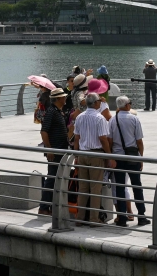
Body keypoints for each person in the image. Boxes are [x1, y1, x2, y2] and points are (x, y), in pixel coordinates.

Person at [73, 93, 115, 224]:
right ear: (96, 103)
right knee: (95, 188)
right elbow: (103, 138)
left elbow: (76, 138)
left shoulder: (79, 117)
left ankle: (80, 218)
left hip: (83, 154)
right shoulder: (99, 118)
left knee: (83, 188)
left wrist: (76, 155)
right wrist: (109, 156)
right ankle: (93, 218)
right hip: (96, 155)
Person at [110, 96, 149, 227]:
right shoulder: (134, 119)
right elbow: (139, 141)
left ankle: (121, 217)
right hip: (133, 157)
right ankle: (141, 216)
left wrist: (111, 157)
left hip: (118, 157)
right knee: (137, 186)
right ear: (127, 105)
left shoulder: (112, 120)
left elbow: (109, 140)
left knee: (120, 187)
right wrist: (141, 157)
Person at [39, 88, 70, 216]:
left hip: (60, 150)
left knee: (56, 178)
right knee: (51, 179)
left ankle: (51, 206)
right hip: (55, 151)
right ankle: (44, 207)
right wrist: (49, 149)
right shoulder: (51, 112)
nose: (65, 98)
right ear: (58, 99)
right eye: (63, 97)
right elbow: (44, 131)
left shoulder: (59, 111)